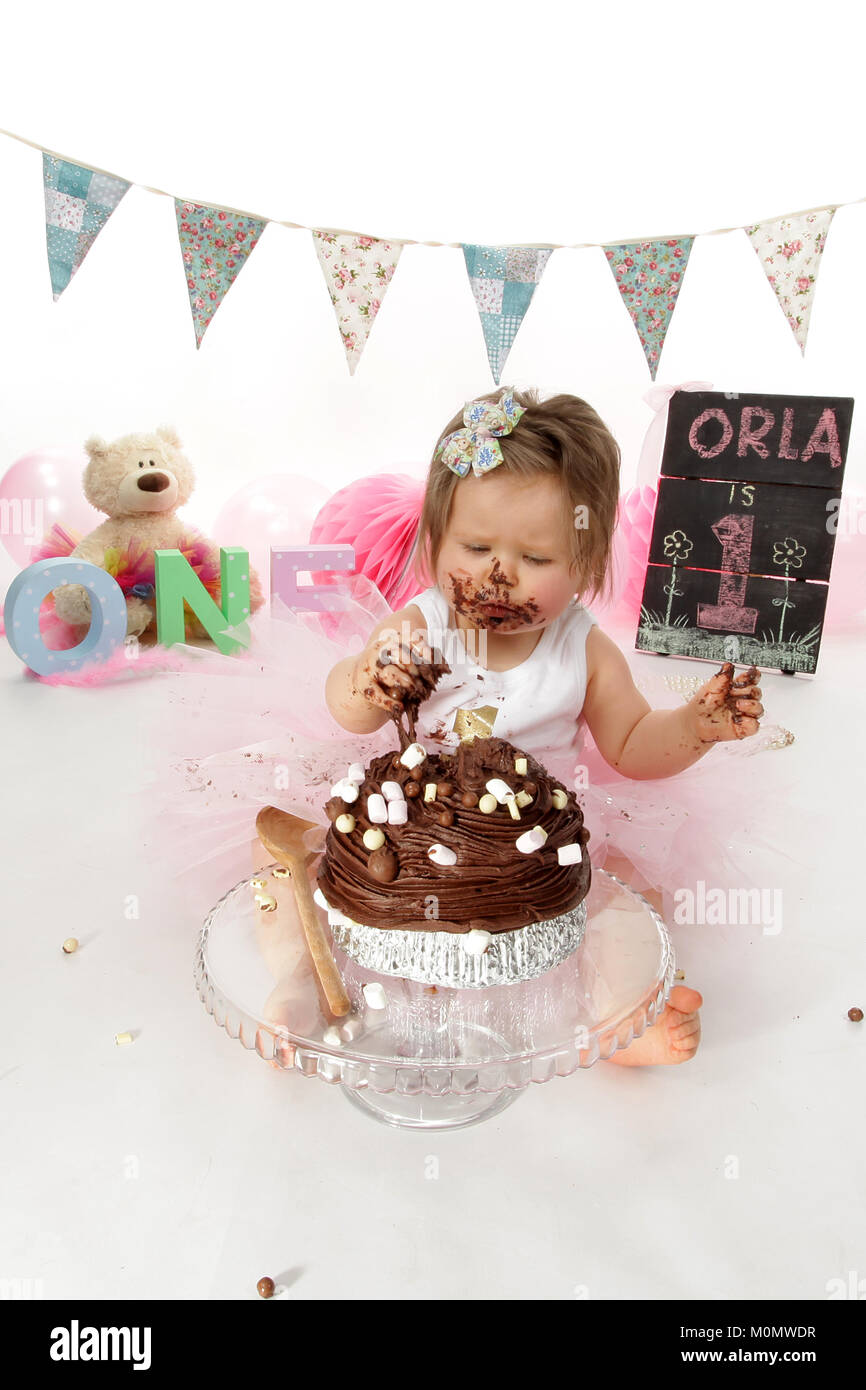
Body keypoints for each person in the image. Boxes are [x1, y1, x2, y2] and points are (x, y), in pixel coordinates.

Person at [323, 388, 767, 1066]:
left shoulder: (582, 649)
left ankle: (624, 1017)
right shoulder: (423, 625)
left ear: (587, 566)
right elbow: (347, 708)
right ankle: (307, 993)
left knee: (624, 899)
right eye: (474, 546)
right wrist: (370, 680)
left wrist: (695, 726)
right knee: (297, 869)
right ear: (436, 537)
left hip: (542, 839)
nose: (497, 576)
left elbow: (631, 746)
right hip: (419, 832)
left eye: (535, 559)